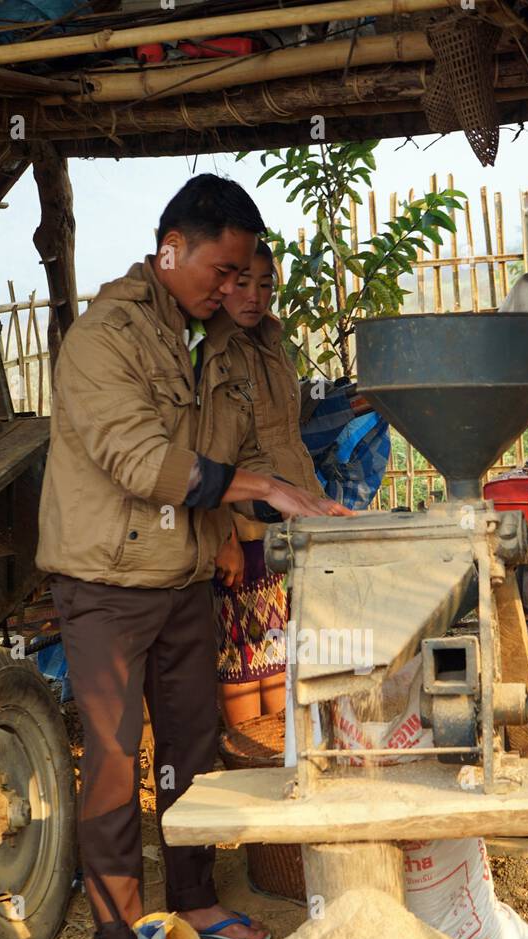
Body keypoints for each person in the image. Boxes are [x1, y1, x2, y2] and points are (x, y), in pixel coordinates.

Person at [36, 175, 348, 939]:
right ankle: (122, 936)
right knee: (109, 759)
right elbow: (143, 462)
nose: (230, 288)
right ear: (172, 246)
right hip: (104, 580)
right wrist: (256, 487)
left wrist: (309, 501)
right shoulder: (106, 337)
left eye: (244, 273)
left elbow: (262, 434)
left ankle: (195, 897)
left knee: (191, 743)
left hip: (182, 575)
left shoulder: (206, 337)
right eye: (222, 269)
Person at [213, 241, 326, 727]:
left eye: (265, 285)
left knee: (286, 664)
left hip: (293, 521)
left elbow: (287, 430)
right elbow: (207, 458)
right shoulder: (213, 353)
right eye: (243, 284)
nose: (255, 296)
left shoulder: (273, 345)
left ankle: (283, 764)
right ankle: (249, 767)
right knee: (245, 666)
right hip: (247, 531)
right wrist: (225, 537)